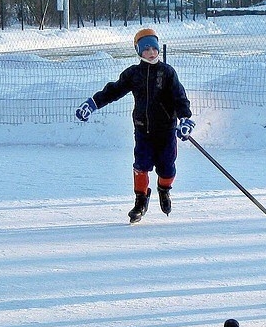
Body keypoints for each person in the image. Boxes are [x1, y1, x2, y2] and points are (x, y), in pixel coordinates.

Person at [75, 28, 195, 224]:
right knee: (141, 166)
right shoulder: (134, 74)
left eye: (153, 48)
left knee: (167, 168)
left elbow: (179, 98)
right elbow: (113, 90)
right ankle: (140, 201)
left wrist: (185, 119)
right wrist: (93, 103)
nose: (151, 52)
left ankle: (164, 190)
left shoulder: (167, 73)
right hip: (143, 130)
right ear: (139, 51)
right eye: (146, 49)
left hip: (166, 130)